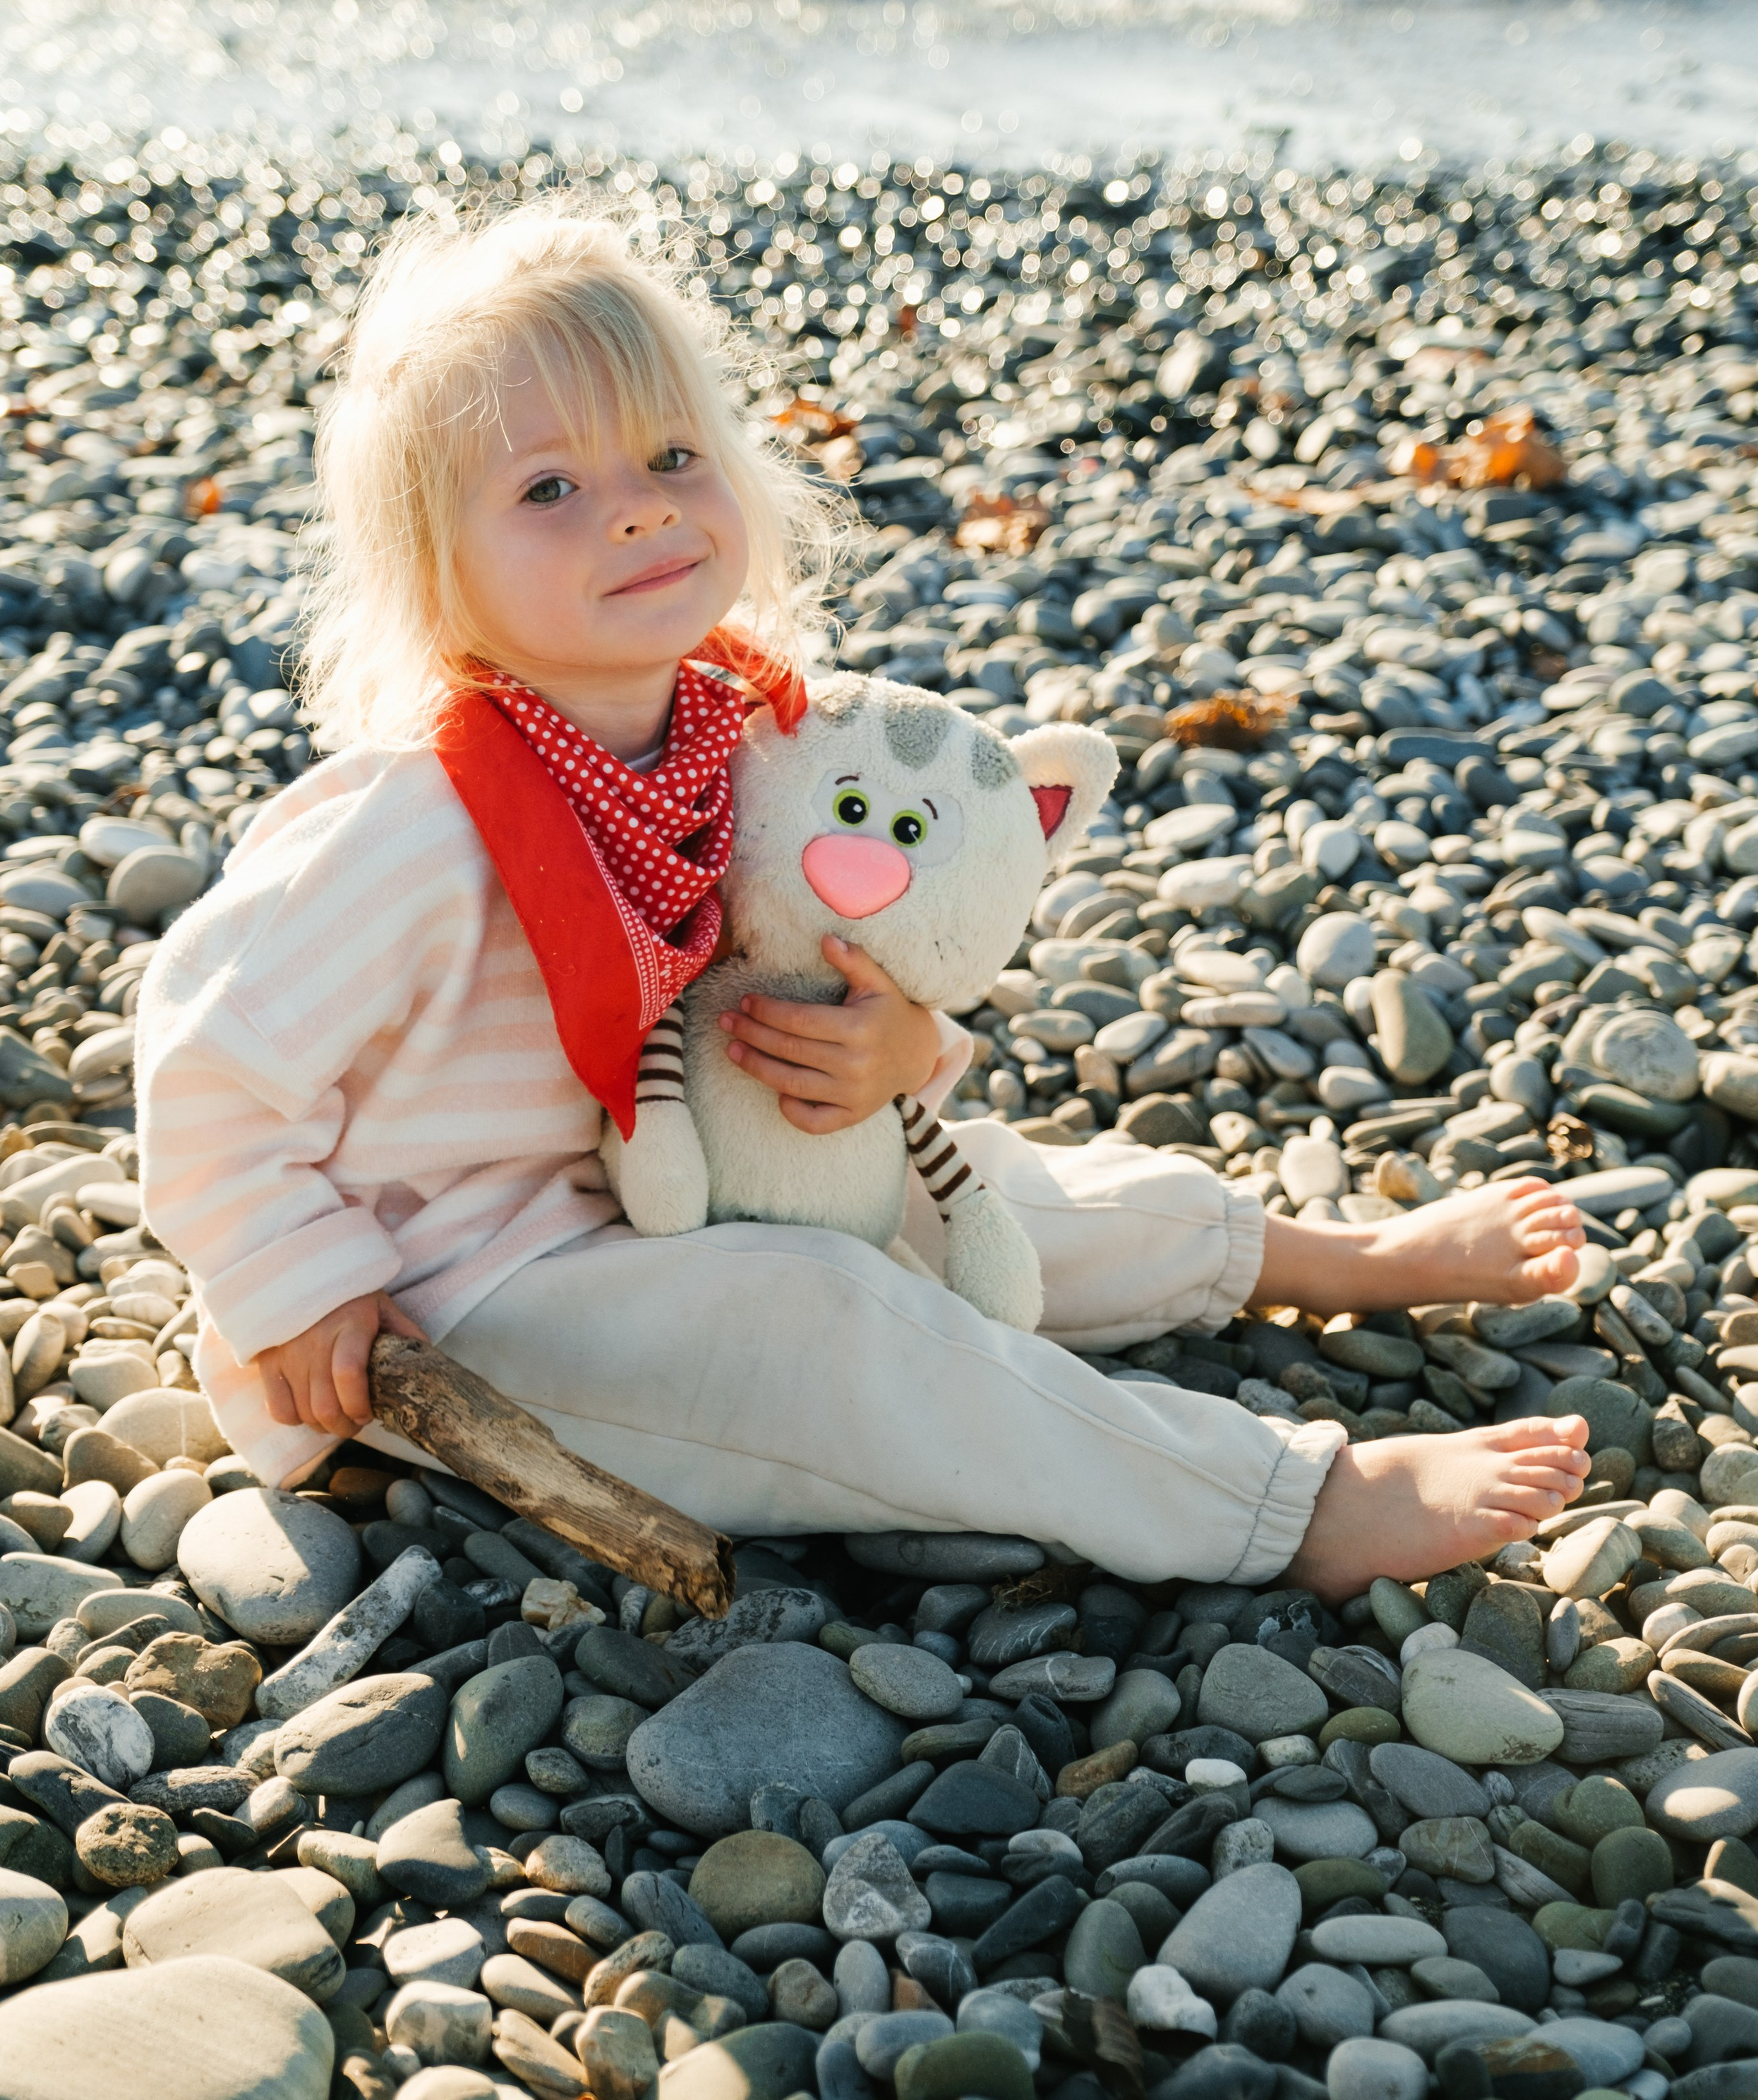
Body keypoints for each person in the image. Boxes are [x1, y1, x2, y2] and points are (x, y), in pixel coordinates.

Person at [136, 199, 1589, 1597]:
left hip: (694, 1166)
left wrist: (903, 1057)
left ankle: (1317, 1258)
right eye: (549, 489)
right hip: (465, 1299)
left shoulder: (747, 747)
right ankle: (1271, 1504)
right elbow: (202, 1067)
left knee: (986, 1189)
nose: (637, 512)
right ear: (436, 571)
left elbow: (850, 966)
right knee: (832, 1321)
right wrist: (302, 1285)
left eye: (672, 454)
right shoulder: (417, 821)